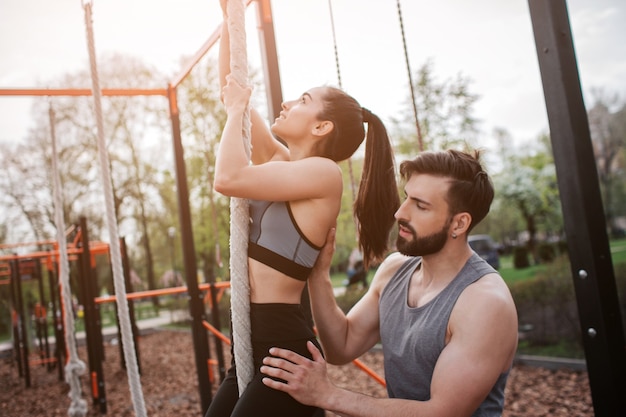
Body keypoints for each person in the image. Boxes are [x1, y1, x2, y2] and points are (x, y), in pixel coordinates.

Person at [205, 2, 400, 416]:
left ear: (321, 127)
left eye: (303, 100)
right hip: (248, 340)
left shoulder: (324, 174)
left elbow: (227, 178)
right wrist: (229, 19)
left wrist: (239, 109)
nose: (289, 102)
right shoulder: (281, 163)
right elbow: (231, 85)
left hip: (284, 349)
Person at [261, 149, 519, 417]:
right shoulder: (394, 270)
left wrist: (328, 395)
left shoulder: (484, 302)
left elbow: (441, 413)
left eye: (420, 205)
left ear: (459, 223)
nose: (399, 213)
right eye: (407, 197)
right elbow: (342, 346)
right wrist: (318, 275)